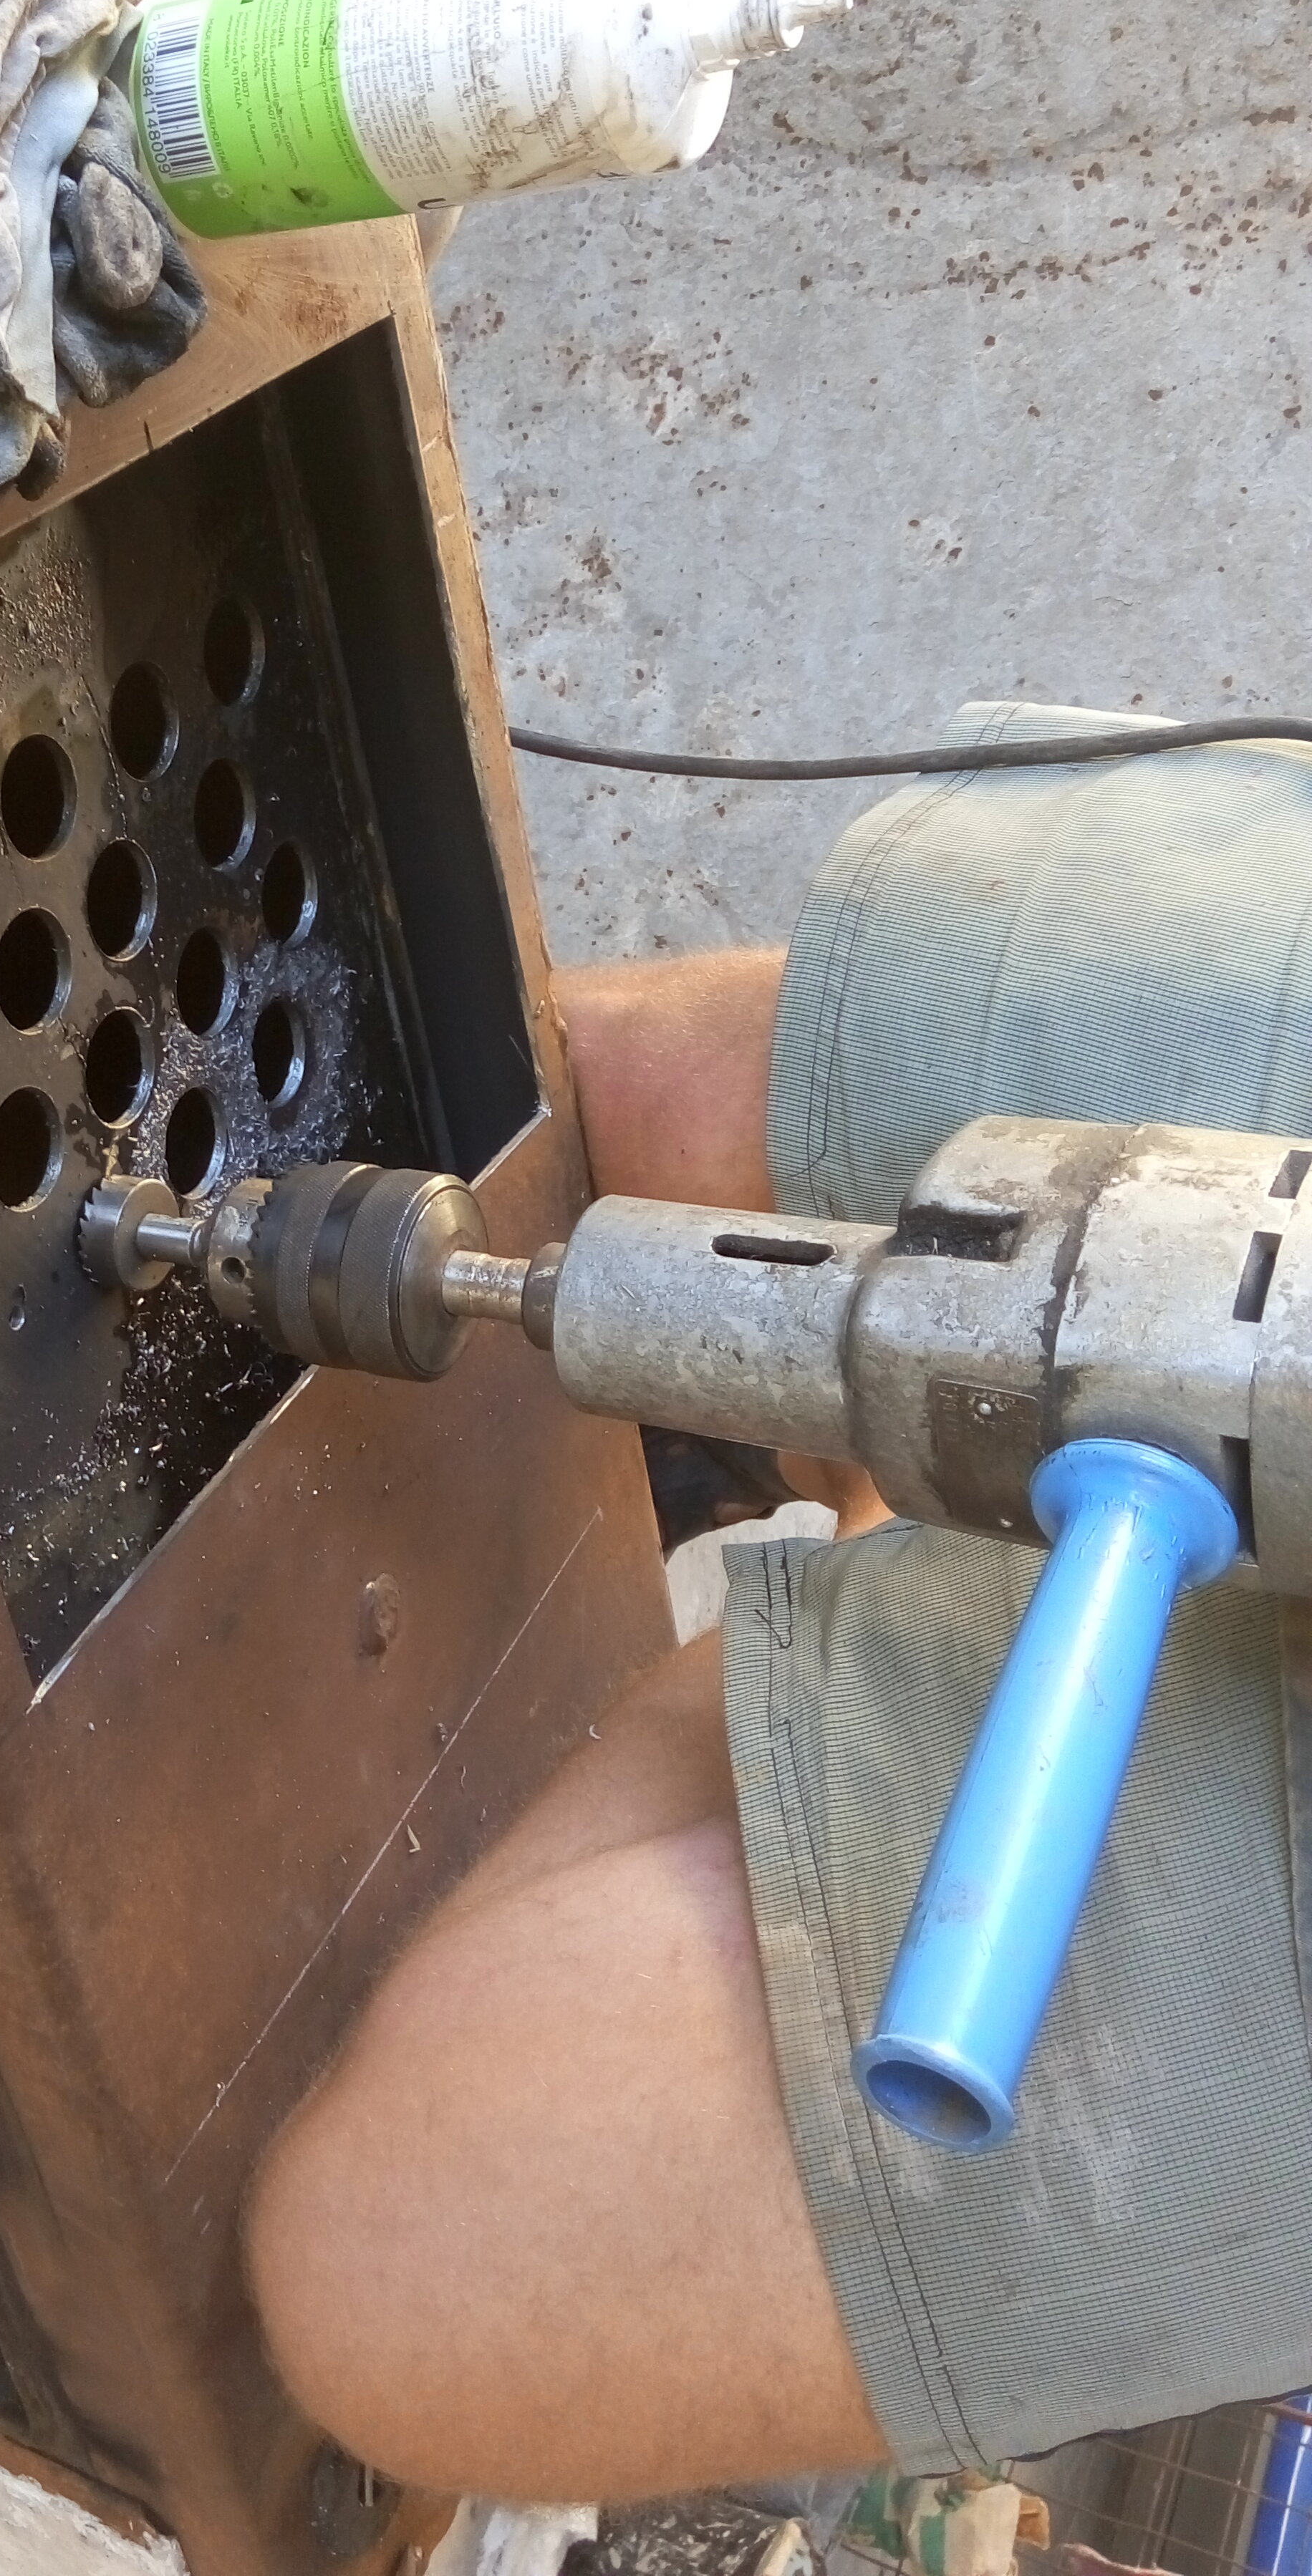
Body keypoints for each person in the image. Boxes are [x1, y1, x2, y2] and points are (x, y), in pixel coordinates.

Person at [243, 724, 1312, 2506]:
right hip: (1237, 1277)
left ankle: (837, 1592)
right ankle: (868, 1541)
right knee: (619, 1102)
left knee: (403, 2261)